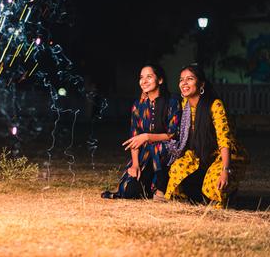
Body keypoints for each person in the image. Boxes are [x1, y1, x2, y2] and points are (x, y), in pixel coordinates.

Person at [165, 63, 248, 208]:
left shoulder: (214, 105)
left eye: (189, 79)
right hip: (200, 154)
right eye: (181, 79)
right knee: (178, 171)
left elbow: (224, 140)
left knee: (216, 184)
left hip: (223, 156)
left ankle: (229, 192)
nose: (184, 83)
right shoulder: (185, 104)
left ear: (201, 84)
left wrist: (225, 170)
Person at [102, 64, 181, 200]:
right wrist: (135, 164)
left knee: (157, 147)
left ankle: (161, 188)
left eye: (149, 77)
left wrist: (147, 137)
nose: (144, 81)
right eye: (141, 77)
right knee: (129, 191)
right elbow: (134, 137)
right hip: (145, 154)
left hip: (166, 154)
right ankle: (150, 187)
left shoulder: (172, 101)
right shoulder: (138, 105)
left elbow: (173, 134)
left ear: (160, 80)